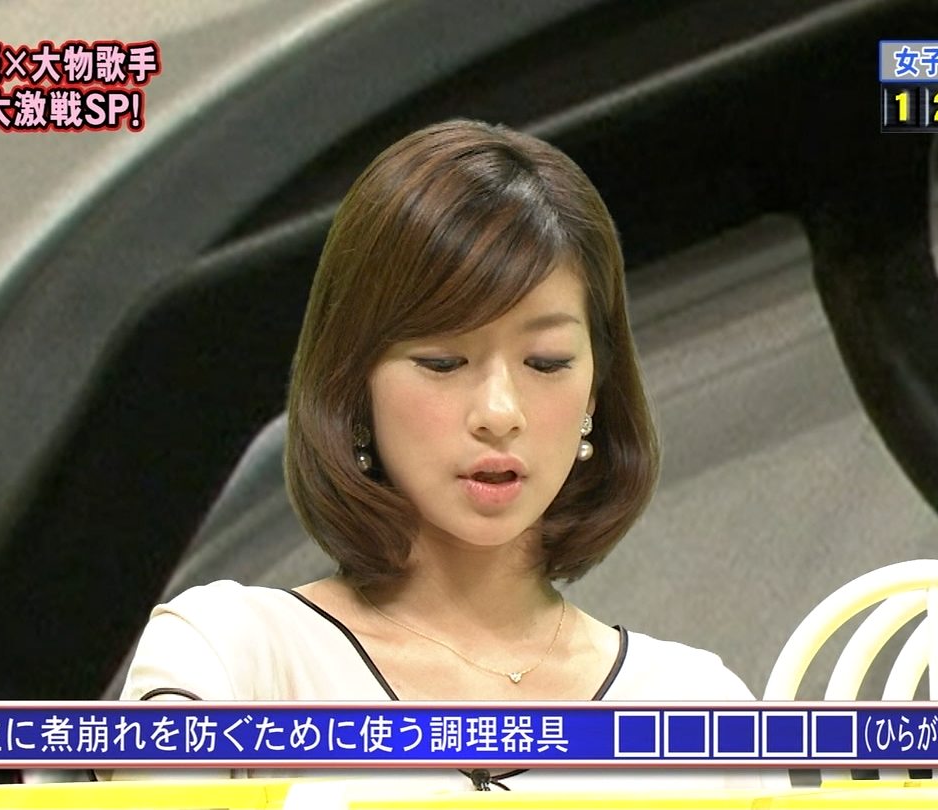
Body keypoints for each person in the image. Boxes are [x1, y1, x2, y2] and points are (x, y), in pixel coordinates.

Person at [112, 119, 775, 792]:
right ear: (353, 383)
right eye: (442, 361)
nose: (499, 412)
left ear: (596, 392)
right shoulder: (231, 660)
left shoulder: (697, 707)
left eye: (546, 362)